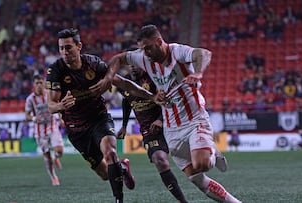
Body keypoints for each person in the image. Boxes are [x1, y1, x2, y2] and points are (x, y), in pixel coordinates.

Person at [91, 24, 242, 203]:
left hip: (194, 119)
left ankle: (212, 153)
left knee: (202, 163)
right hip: (172, 129)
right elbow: (118, 58)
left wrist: (199, 73)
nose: (145, 53)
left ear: (159, 41)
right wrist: (109, 77)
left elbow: (204, 53)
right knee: (197, 179)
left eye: (148, 48)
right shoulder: (144, 57)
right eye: (142, 49)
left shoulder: (177, 52)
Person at [46, 28, 155, 202]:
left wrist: (152, 96)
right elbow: (50, 107)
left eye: (68, 47)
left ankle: (118, 199)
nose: (64, 52)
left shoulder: (94, 65)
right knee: (105, 174)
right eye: (61, 48)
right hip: (77, 130)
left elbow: (123, 83)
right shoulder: (56, 71)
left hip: (99, 118)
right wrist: (61, 105)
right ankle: (123, 169)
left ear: (78, 46)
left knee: (110, 152)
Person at [116, 64, 188, 203]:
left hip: (171, 124)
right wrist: (124, 126)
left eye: (135, 65)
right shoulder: (124, 83)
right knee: (160, 160)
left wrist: (160, 119)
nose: (132, 68)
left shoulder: (154, 79)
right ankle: (182, 201)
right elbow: (127, 101)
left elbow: (170, 100)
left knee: (196, 163)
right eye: (129, 65)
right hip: (150, 131)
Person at [25, 74, 64, 186]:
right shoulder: (30, 99)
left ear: (44, 83)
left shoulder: (50, 94)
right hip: (40, 131)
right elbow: (26, 115)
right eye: (36, 83)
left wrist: (61, 117)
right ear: (33, 85)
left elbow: (59, 105)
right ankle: (54, 177)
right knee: (46, 155)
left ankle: (56, 157)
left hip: (53, 126)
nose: (39, 85)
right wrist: (33, 118)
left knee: (60, 150)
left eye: (41, 82)